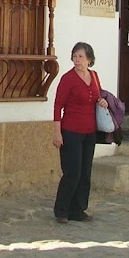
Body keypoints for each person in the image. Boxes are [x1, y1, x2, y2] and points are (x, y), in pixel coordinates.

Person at [52, 41, 110, 223]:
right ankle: (61, 210)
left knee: (85, 172)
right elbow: (57, 107)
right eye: (74, 56)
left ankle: (78, 209)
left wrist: (103, 102)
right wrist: (57, 132)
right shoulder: (67, 79)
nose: (77, 60)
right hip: (71, 130)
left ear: (89, 59)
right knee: (72, 172)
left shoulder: (94, 76)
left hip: (89, 131)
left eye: (81, 57)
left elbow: (97, 96)